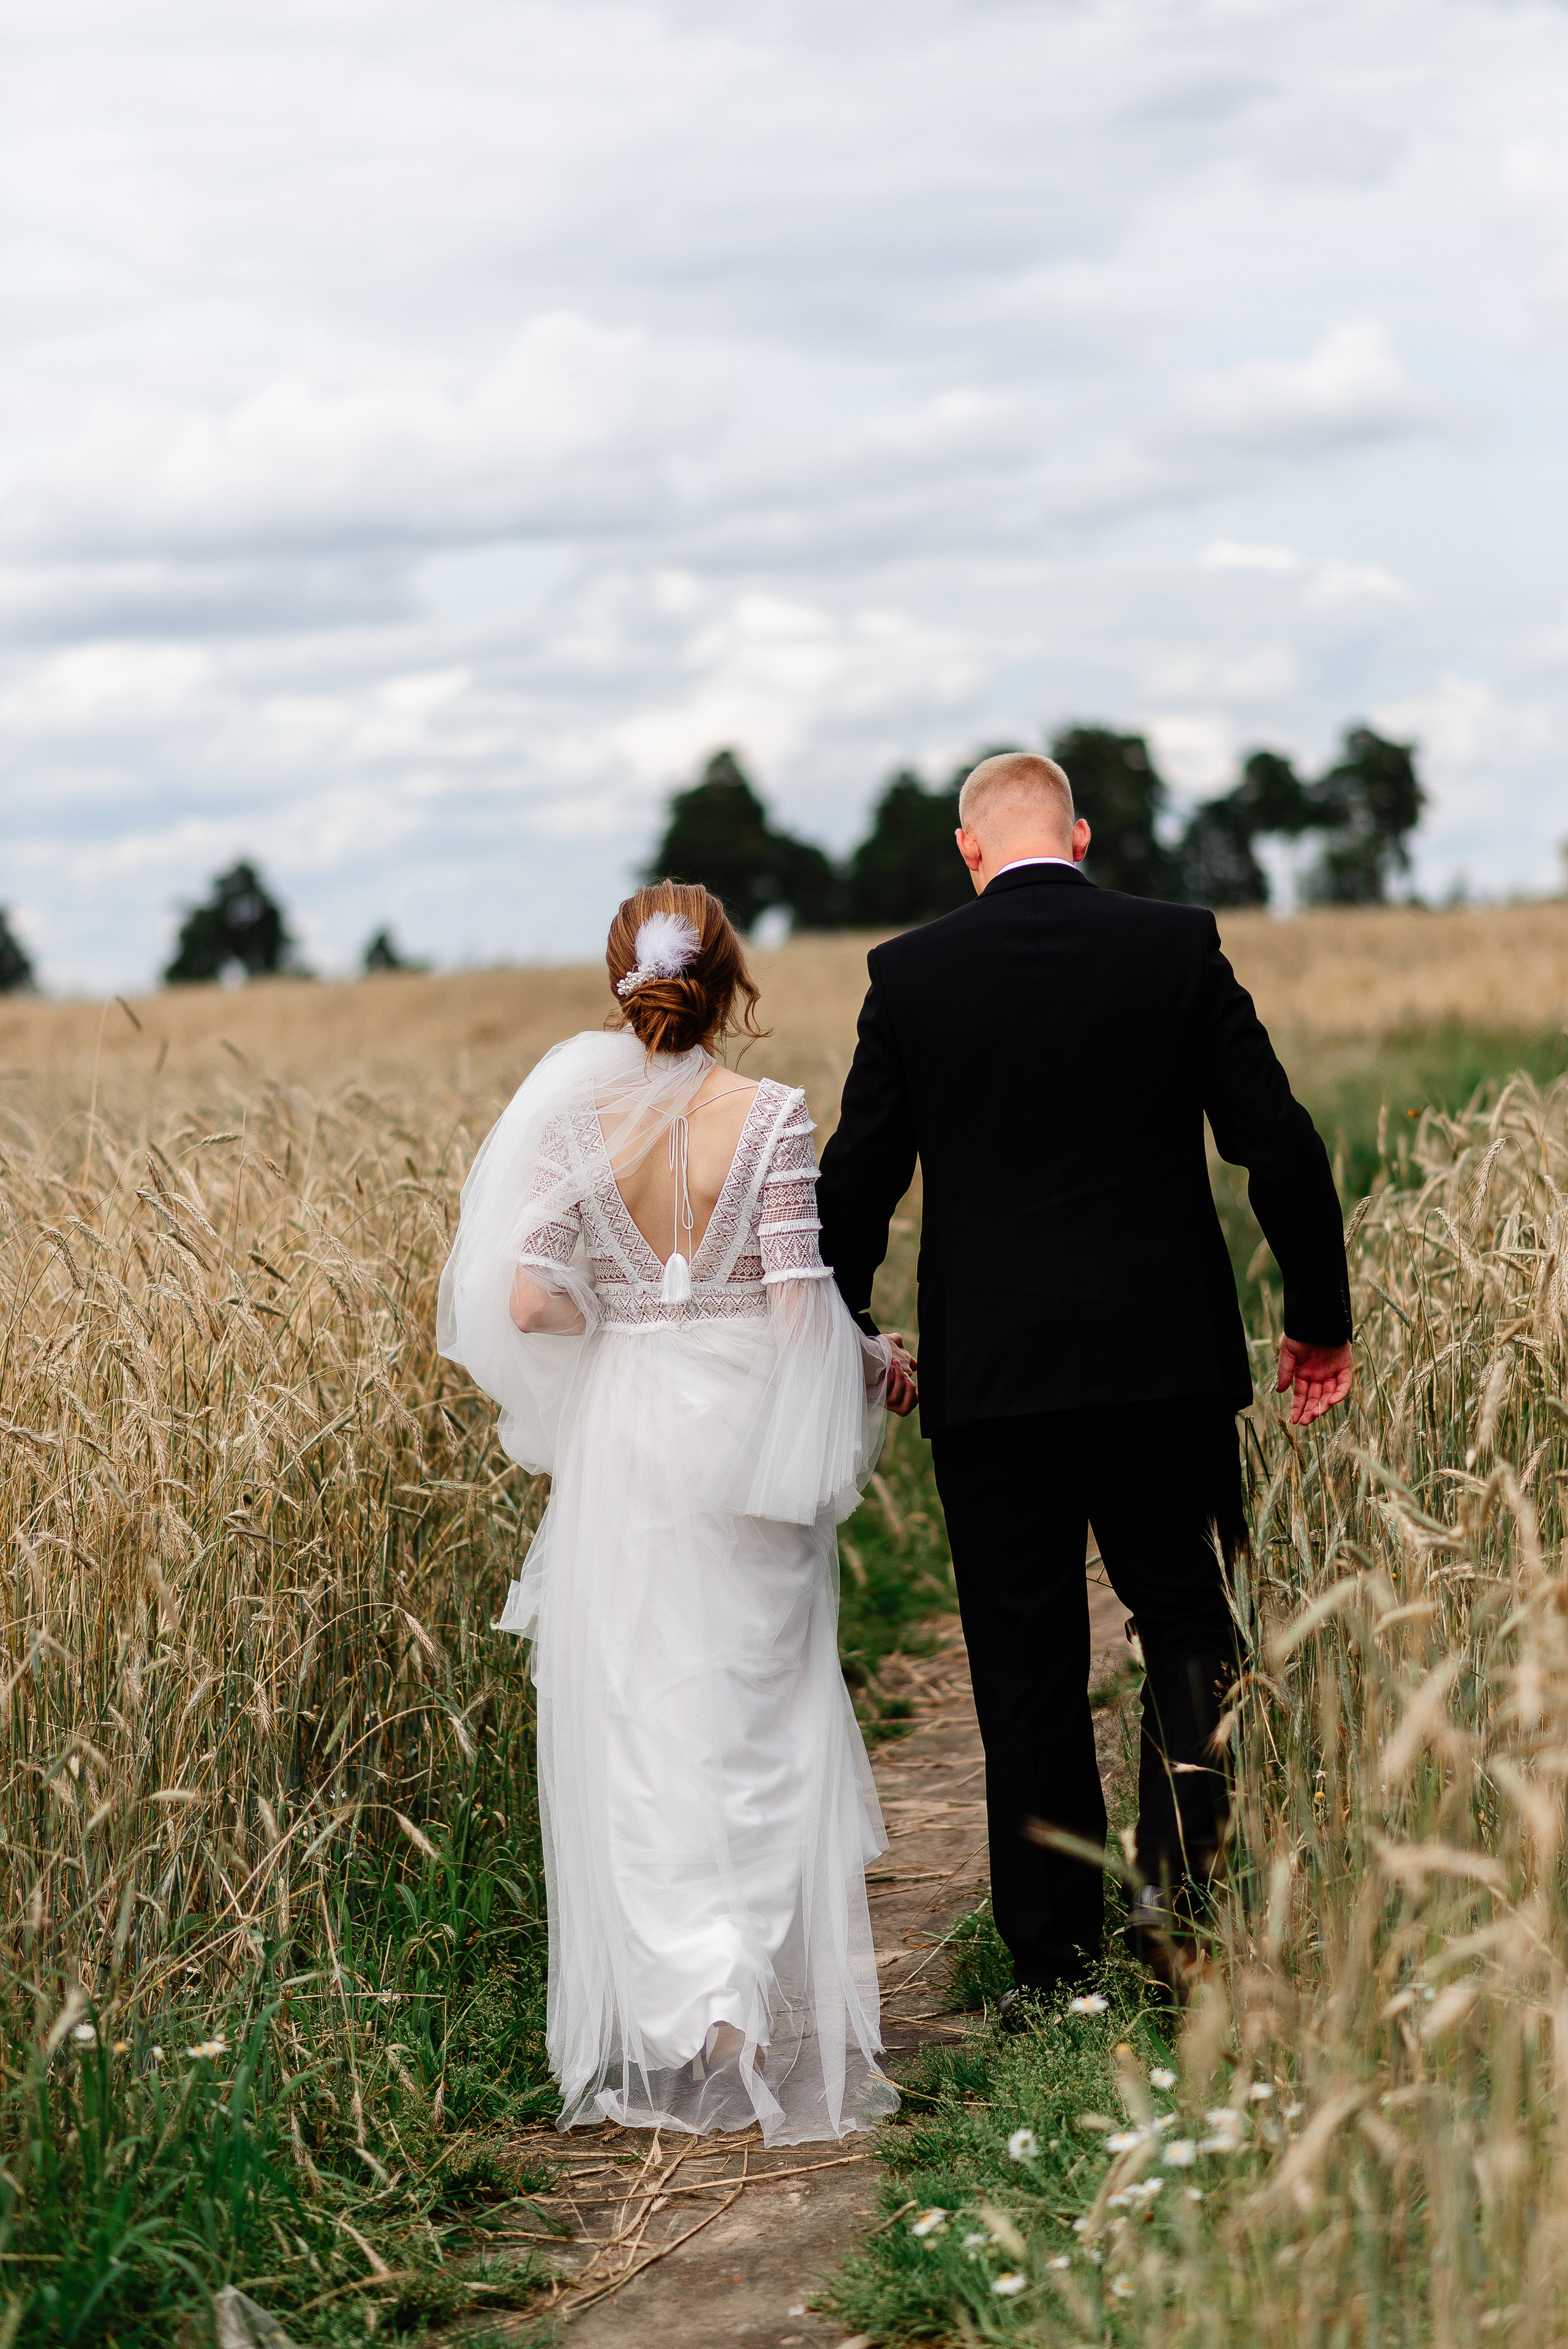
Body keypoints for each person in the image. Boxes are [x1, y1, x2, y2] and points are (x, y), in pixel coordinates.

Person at [816, 752, 1353, 2014]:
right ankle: (1174, 1908)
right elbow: (1276, 1140)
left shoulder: (910, 975)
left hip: (992, 1378)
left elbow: (855, 1182)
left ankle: (1053, 1958)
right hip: (1160, 1365)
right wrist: (1316, 1320)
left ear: (968, 850)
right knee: (1189, 1624)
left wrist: (852, 1335)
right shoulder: (1174, 946)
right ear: (1082, 836)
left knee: (1024, 1660)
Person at [437, 882, 917, 2143]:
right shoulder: (771, 1115)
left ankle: (689, 1993)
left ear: (624, 984)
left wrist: (616, 1321)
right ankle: (742, 1987)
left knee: (647, 1713)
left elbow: (528, 1302)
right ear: (730, 985)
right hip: (745, 1434)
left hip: (631, 1439)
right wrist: (877, 1365)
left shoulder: (574, 1128)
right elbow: (800, 1305)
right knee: (759, 1708)